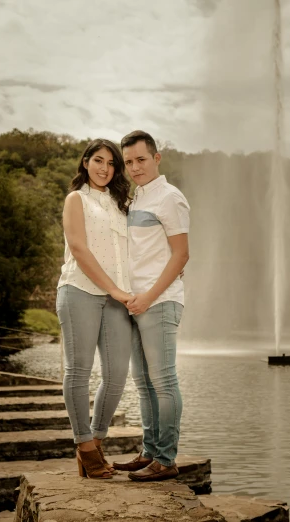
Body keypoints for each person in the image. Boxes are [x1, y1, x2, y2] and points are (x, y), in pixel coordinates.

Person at [112, 130, 190, 482]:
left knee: (163, 381)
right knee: (143, 383)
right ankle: (149, 451)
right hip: (135, 301)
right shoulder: (136, 199)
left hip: (158, 302)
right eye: (128, 162)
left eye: (140, 159)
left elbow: (181, 255)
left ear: (156, 158)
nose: (134, 167)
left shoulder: (170, 198)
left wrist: (149, 297)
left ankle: (167, 459)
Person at [56, 138, 133, 479]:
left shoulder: (122, 204)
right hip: (80, 290)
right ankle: (84, 446)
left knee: (117, 374)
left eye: (111, 163)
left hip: (118, 299)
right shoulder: (77, 199)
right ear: (85, 162)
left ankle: (96, 441)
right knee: (79, 370)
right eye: (98, 160)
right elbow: (79, 248)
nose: (104, 168)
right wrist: (114, 288)